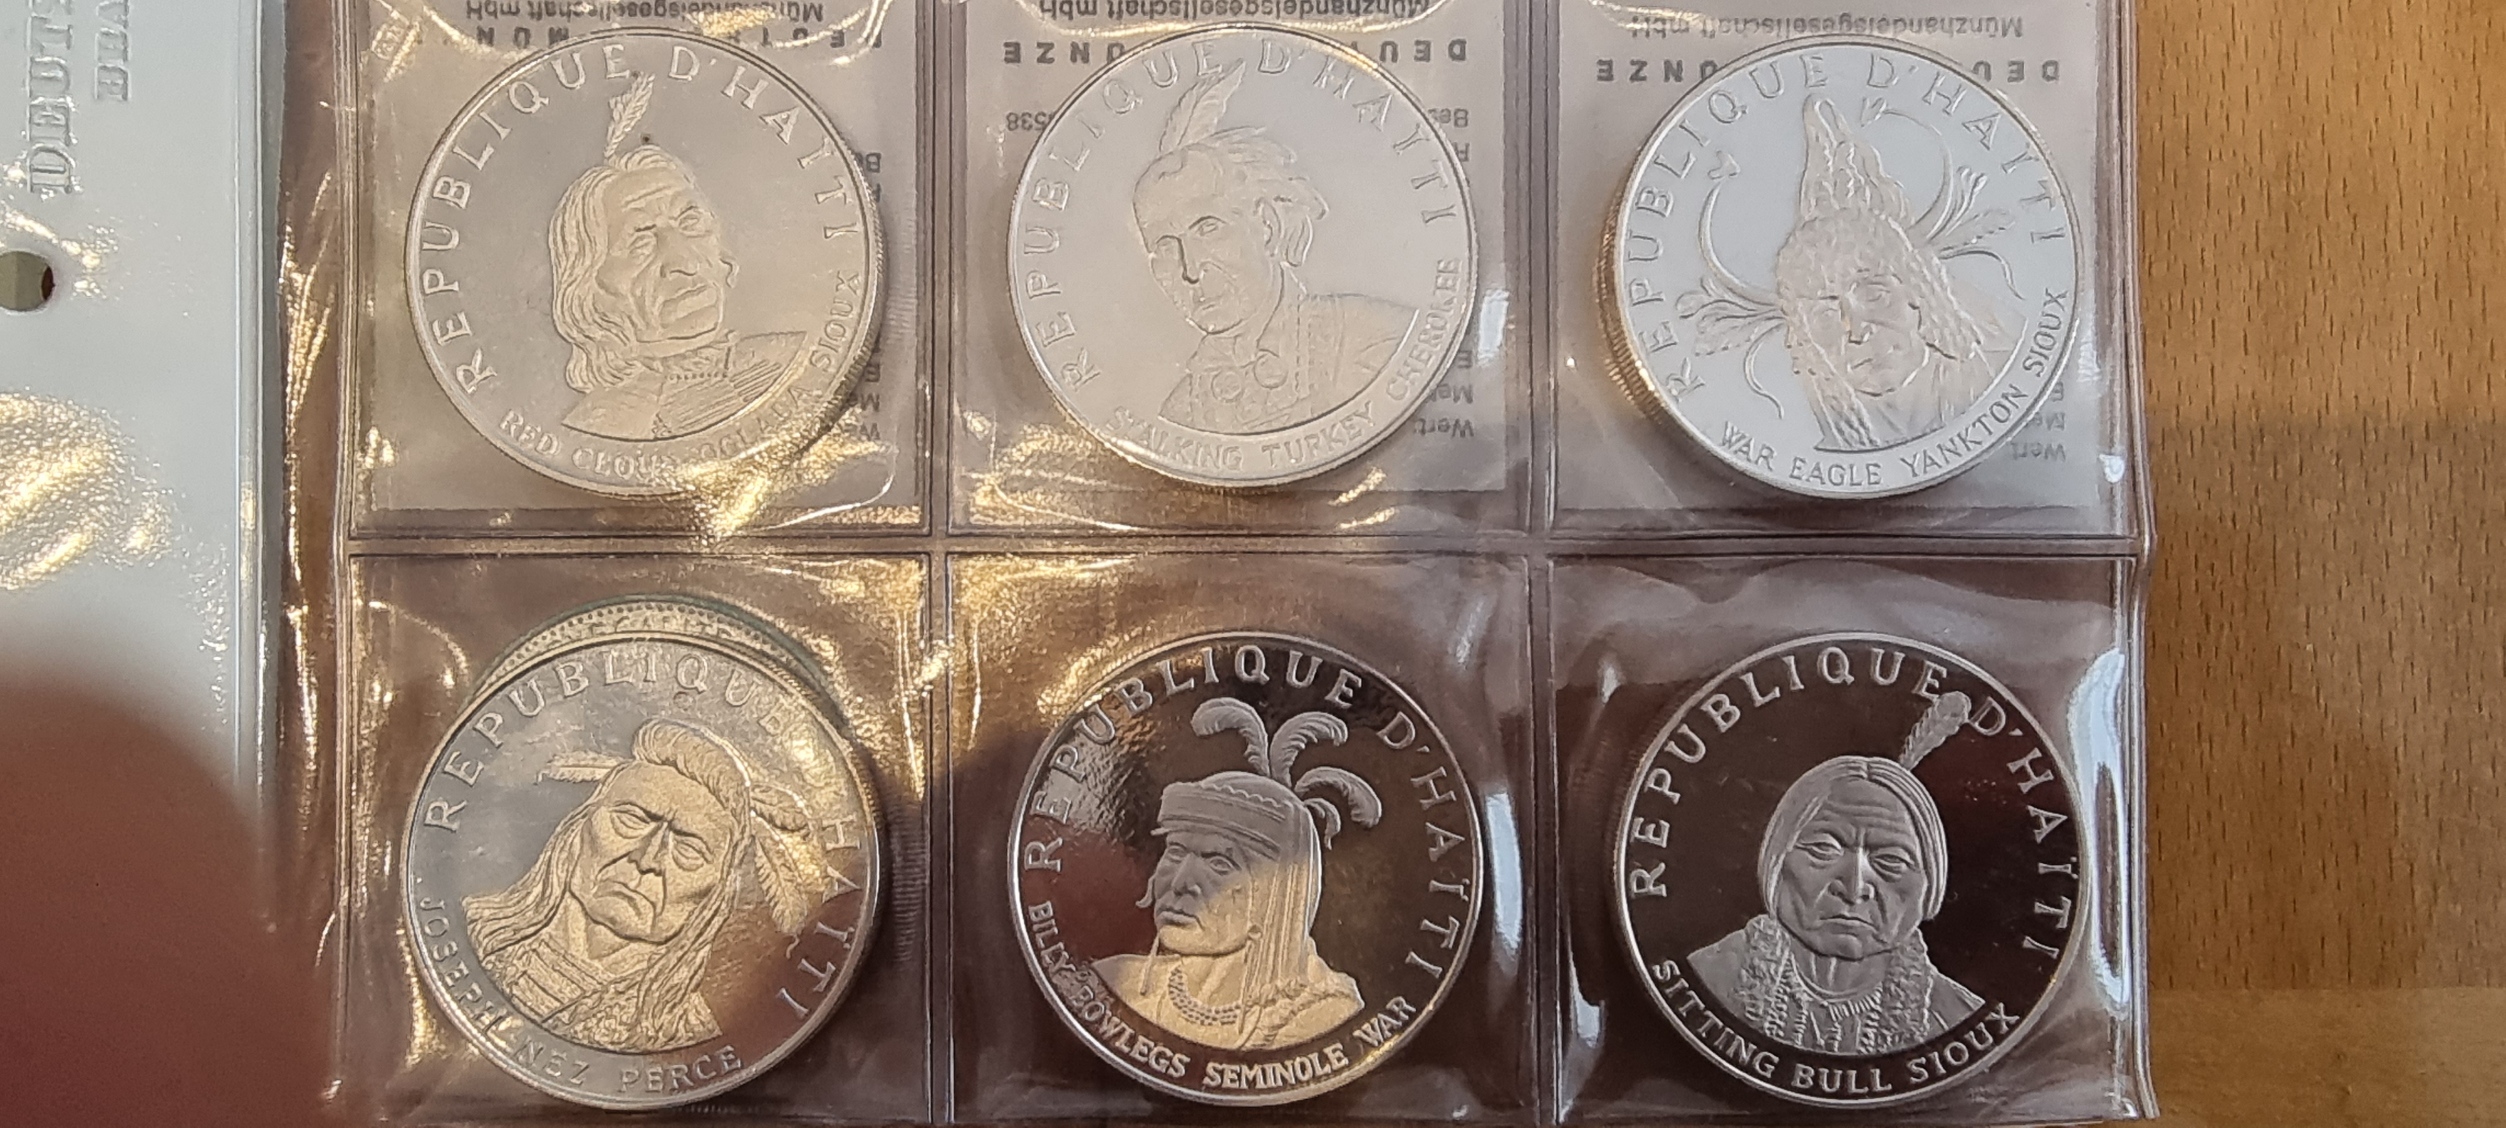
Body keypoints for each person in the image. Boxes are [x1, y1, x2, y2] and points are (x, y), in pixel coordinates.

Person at [464, 718, 830, 1054]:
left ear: (718, 892)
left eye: (688, 848)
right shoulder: (481, 934)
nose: (647, 858)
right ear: (576, 828)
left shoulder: (685, 1032)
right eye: (632, 819)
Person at [1130, 63, 1416, 436]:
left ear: (1266, 224)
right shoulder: (1180, 413)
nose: (1191, 269)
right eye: (1165, 248)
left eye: (1208, 228)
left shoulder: (1378, 341)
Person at [1094, 698, 1381, 1049]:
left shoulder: (1325, 1015)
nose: (1181, 883)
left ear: (1276, 893)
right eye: (1176, 851)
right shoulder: (1117, 983)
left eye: (1218, 862)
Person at [546, 76, 804, 442]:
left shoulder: (787, 357)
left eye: (690, 222)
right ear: (588, 288)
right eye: (641, 241)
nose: (686, 262)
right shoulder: (604, 426)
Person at [1688, 755, 1982, 1057]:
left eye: (1891, 860)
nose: (1854, 889)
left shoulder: (1955, 1017)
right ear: (1776, 859)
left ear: (1930, 883)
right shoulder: (1708, 980)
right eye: (1823, 849)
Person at [1770, 98, 2005, 452]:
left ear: (1917, 292)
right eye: (1826, 315)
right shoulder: (1812, 433)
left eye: (1874, 295)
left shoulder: (1992, 375)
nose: (1857, 331)